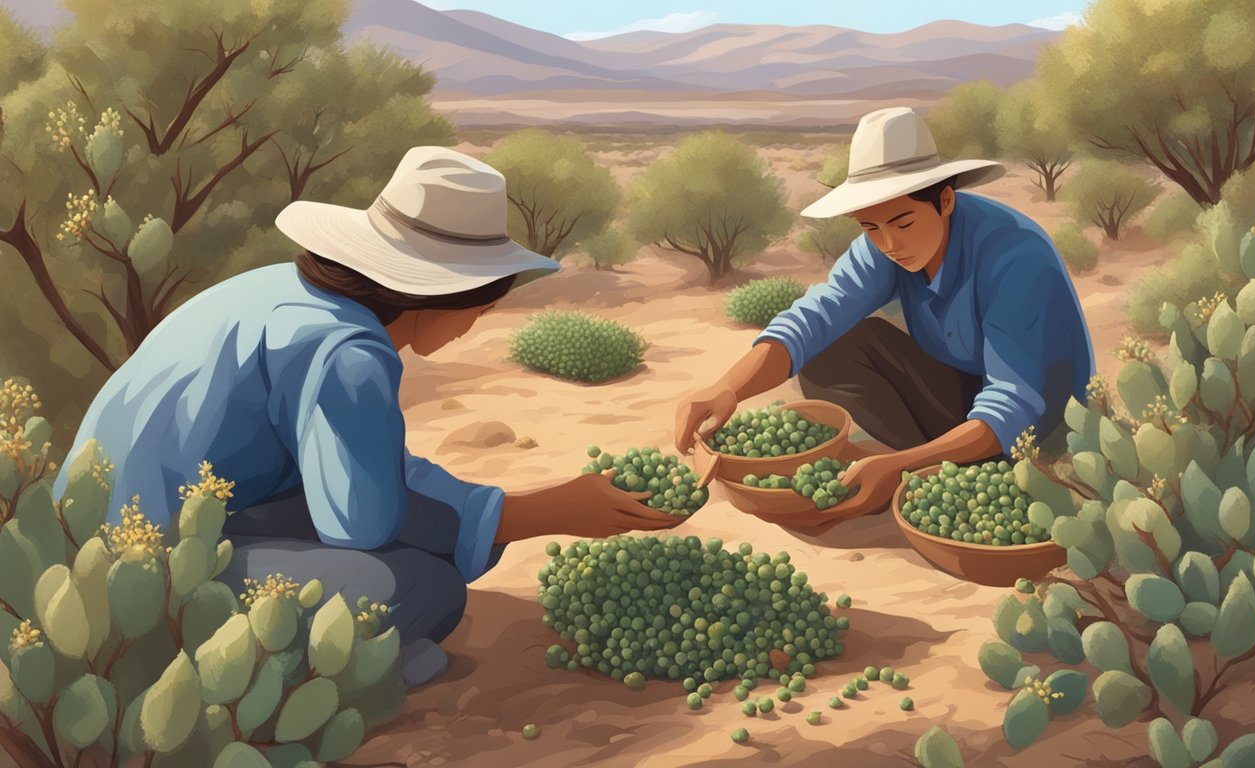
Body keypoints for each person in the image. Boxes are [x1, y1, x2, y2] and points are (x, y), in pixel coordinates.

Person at [55, 147, 678, 687]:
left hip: (96, 539)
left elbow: (360, 465)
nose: (475, 325)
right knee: (425, 587)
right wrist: (540, 513)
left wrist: (497, 513)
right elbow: (362, 519)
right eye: (479, 310)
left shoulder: (285, 291)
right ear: (438, 295)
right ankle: (339, 674)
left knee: (416, 551)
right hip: (143, 576)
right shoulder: (347, 354)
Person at [674, 107, 1095, 535]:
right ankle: (925, 466)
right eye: (870, 227)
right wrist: (728, 387)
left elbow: (1013, 401)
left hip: (1043, 428)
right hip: (969, 396)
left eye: (903, 222)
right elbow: (816, 317)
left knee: (987, 447)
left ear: (945, 201)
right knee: (834, 347)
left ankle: (932, 473)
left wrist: (900, 467)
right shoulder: (885, 243)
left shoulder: (1014, 257)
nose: (889, 243)